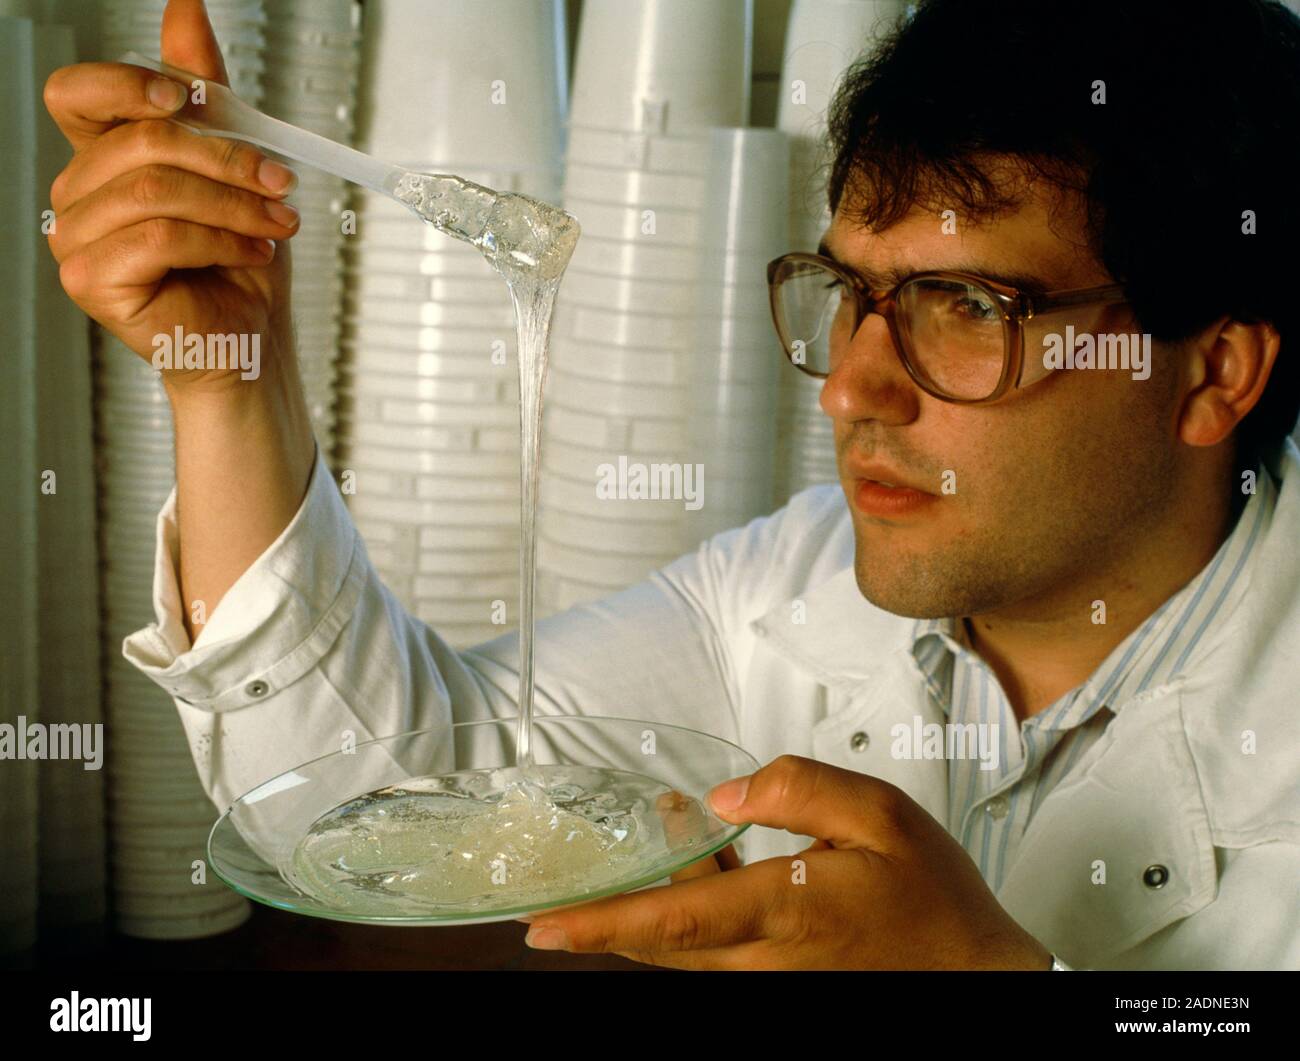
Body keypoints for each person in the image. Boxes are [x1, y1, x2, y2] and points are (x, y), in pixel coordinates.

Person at [43, 0, 1300, 970]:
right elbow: (359, 802)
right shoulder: (785, 585)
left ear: (1212, 372)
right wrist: (228, 376)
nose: (851, 389)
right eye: (852, 294)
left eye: (966, 304)